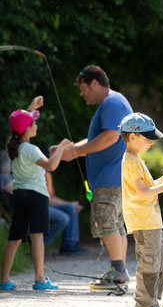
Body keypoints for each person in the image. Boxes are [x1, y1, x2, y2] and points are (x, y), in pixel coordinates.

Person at [58, 65, 133, 290]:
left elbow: (111, 136)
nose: (82, 94)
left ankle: (117, 273)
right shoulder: (113, 103)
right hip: (113, 177)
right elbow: (97, 138)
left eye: (83, 89)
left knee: (106, 221)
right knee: (116, 224)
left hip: (111, 177)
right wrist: (68, 150)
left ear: (94, 83)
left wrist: (78, 151)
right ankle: (119, 272)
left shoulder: (112, 103)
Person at [0, 96, 72, 290]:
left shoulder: (15, 147)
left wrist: (32, 107)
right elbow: (51, 165)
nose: (35, 124)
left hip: (19, 195)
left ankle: (4, 280)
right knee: (37, 235)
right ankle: (40, 279)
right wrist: (63, 147)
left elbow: (20, 122)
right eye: (33, 123)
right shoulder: (31, 149)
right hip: (37, 196)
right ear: (27, 129)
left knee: (14, 238)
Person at [118, 112, 163, 307]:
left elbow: (149, 186)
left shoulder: (136, 159)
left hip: (151, 221)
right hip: (143, 221)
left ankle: (152, 302)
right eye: (148, 138)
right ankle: (144, 306)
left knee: (160, 261)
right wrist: (162, 188)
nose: (151, 143)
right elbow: (142, 192)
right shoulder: (131, 161)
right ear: (133, 137)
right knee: (149, 262)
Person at [44, 170, 87, 254]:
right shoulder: (38, 173)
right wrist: (70, 203)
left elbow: (52, 197)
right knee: (70, 208)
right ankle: (45, 242)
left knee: (71, 208)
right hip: (41, 206)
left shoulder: (47, 174)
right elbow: (47, 200)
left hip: (48, 205)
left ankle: (70, 244)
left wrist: (70, 204)